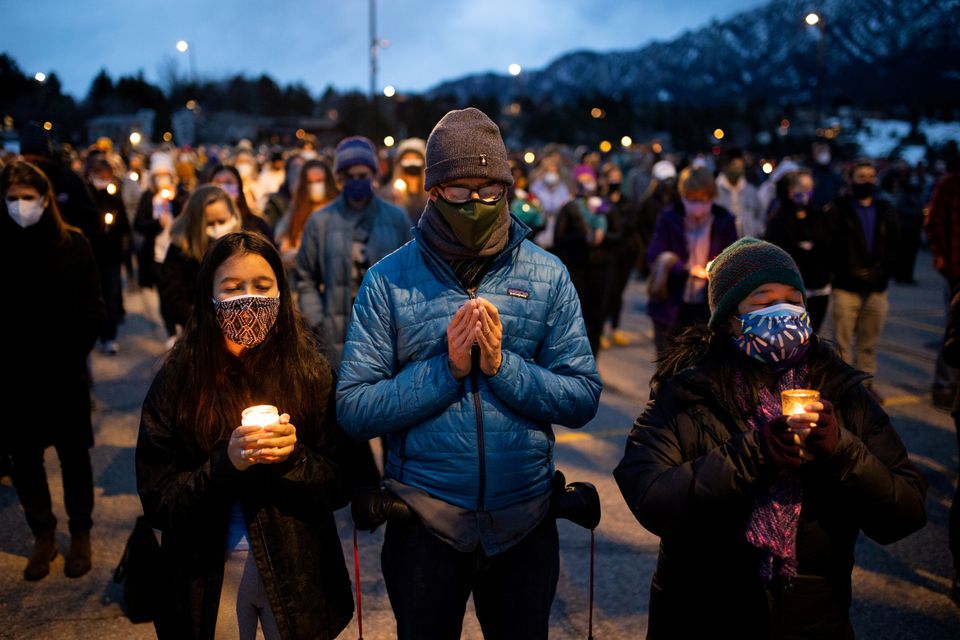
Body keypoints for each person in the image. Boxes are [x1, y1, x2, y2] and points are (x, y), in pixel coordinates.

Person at [337, 108, 602, 640]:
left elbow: (582, 396)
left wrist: (504, 368)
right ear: (433, 191)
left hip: (525, 519)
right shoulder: (389, 281)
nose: (476, 203)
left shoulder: (547, 275)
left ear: (507, 187)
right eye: (459, 190)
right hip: (424, 522)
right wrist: (447, 370)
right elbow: (354, 408)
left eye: (490, 189)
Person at [614, 237, 927, 638]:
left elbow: (906, 511)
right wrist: (754, 454)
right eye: (763, 304)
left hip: (813, 618)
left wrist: (842, 450)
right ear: (729, 319)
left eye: (793, 301)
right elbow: (650, 496)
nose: (783, 313)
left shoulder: (841, 391)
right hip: (702, 614)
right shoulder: (690, 393)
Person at [136, 231, 366, 639]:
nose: (248, 299)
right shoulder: (179, 380)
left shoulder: (309, 373)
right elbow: (158, 499)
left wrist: (294, 460)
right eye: (232, 287)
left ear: (281, 291)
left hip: (297, 569)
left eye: (262, 286)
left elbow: (344, 479)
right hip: (206, 573)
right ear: (209, 295)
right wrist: (227, 464)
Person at [1, 160, 105, 580]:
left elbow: (93, 308)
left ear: (45, 199)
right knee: (25, 459)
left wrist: (74, 352)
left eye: (28, 197)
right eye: (12, 199)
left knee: (73, 457)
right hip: (13, 377)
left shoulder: (73, 244)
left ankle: (81, 533)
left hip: (63, 374)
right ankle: (43, 534)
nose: (21, 205)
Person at [295, 135, 411, 367]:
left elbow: (412, 272)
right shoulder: (320, 222)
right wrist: (318, 322)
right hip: (336, 333)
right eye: (350, 177)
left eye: (363, 176)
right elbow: (304, 278)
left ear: (373, 175)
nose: (357, 181)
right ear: (339, 179)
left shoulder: (396, 218)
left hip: (386, 331)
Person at [645, 165, 738, 356]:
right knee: (668, 369)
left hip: (708, 309)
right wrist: (684, 269)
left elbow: (735, 261)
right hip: (670, 305)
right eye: (692, 200)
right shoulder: (669, 218)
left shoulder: (724, 221)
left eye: (703, 200)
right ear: (683, 195)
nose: (698, 206)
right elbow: (653, 256)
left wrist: (714, 272)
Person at [827, 160, 898, 398]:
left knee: (869, 343)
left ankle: (866, 388)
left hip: (877, 288)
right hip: (846, 287)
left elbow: (894, 247)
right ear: (851, 180)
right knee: (842, 344)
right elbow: (831, 246)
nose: (867, 181)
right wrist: (848, 272)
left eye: (870, 176)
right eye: (861, 177)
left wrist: (881, 273)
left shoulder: (885, 209)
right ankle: (846, 390)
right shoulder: (838, 209)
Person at [553, 165, 620, 355]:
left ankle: (594, 355)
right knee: (577, 315)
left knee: (596, 315)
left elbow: (618, 234)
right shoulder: (570, 208)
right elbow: (559, 237)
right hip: (577, 267)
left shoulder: (605, 207)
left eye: (588, 179)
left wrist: (602, 237)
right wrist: (583, 239)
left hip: (601, 268)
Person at [160, 185, 243, 336]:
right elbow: (172, 295)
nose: (217, 228)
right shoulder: (180, 249)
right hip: (200, 332)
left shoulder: (246, 243)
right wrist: (198, 321)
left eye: (222, 221)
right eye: (210, 223)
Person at [764, 169, 833, 332]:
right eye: (798, 188)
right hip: (791, 291)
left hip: (818, 288)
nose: (802, 193)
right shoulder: (778, 220)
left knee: (814, 333)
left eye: (807, 188)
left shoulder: (819, 216)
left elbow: (828, 246)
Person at [85, 155, 132, 354]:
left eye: (107, 177)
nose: (104, 181)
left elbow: (125, 226)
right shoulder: (86, 198)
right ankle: (95, 333)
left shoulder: (114, 199)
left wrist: (113, 225)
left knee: (111, 296)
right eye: (100, 177)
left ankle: (109, 336)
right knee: (95, 298)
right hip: (92, 256)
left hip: (111, 256)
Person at [275, 158, 338, 272]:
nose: (315, 185)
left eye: (319, 181)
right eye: (310, 182)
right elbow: (283, 245)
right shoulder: (295, 211)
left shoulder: (339, 210)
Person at [206, 164, 274, 242]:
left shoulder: (258, 225)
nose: (223, 187)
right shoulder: (199, 226)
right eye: (217, 183)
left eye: (229, 182)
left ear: (239, 188)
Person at [715, 149, 765, 238]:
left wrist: (757, 230)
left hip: (748, 243)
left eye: (740, 167)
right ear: (725, 167)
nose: (738, 171)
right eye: (735, 167)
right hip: (723, 242)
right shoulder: (714, 191)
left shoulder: (750, 190)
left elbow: (760, 214)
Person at [380, 137, 428, 224]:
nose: (411, 164)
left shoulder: (432, 195)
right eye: (407, 159)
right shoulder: (387, 195)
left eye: (416, 159)